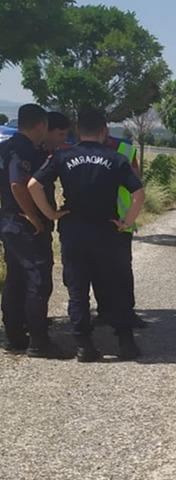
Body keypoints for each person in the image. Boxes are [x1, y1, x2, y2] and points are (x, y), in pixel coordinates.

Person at [28, 109, 145, 362]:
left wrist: (50, 214)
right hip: (107, 232)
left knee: (78, 291)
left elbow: (33, 185)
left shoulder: (62, 156)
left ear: (78, 131)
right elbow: (139, 193)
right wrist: (127, 222)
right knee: (115, 287)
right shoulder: (116, 158)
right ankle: (126, 342)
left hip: (74, 231)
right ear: (104, 131)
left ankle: (84, 346)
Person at [0, 104, 64, 358]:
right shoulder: (23, 149)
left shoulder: (5, 146)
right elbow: (18, 184)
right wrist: (34, 217)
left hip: (8, 220)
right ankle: (38, 342)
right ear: (40, 125)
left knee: (15, 279)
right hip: (24, 224)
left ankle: (14, 335)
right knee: (38, 280)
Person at [93, 135, 147, 329]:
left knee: (122, 269)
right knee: (98, 268)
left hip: (121, 221)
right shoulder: (88, 149)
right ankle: (104, 311)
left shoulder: (126, 150)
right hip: (100, 220)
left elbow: (136, 183)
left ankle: (126, 312)